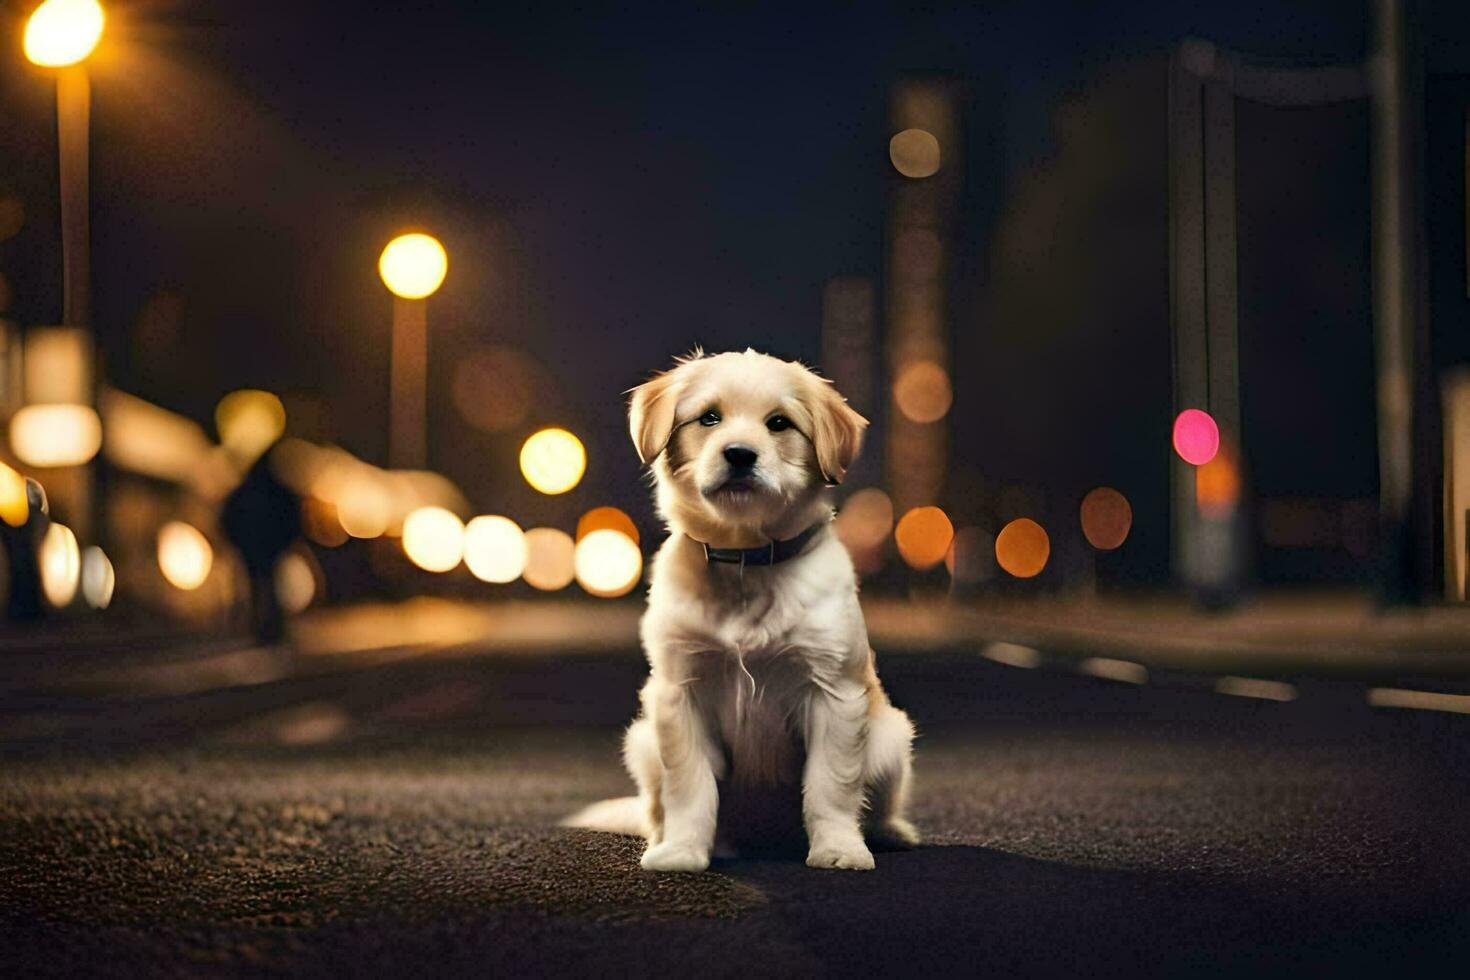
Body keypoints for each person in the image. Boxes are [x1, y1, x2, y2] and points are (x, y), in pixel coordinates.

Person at [220, 445, 301, 644]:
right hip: (268, 549)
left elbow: (228, 516)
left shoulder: (247, 490)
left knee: (257, 587)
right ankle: (270, 627)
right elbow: (293, 518)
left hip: (253, 549)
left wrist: (236, 542)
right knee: (270, 587)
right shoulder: (277, 491)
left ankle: (261, 626)